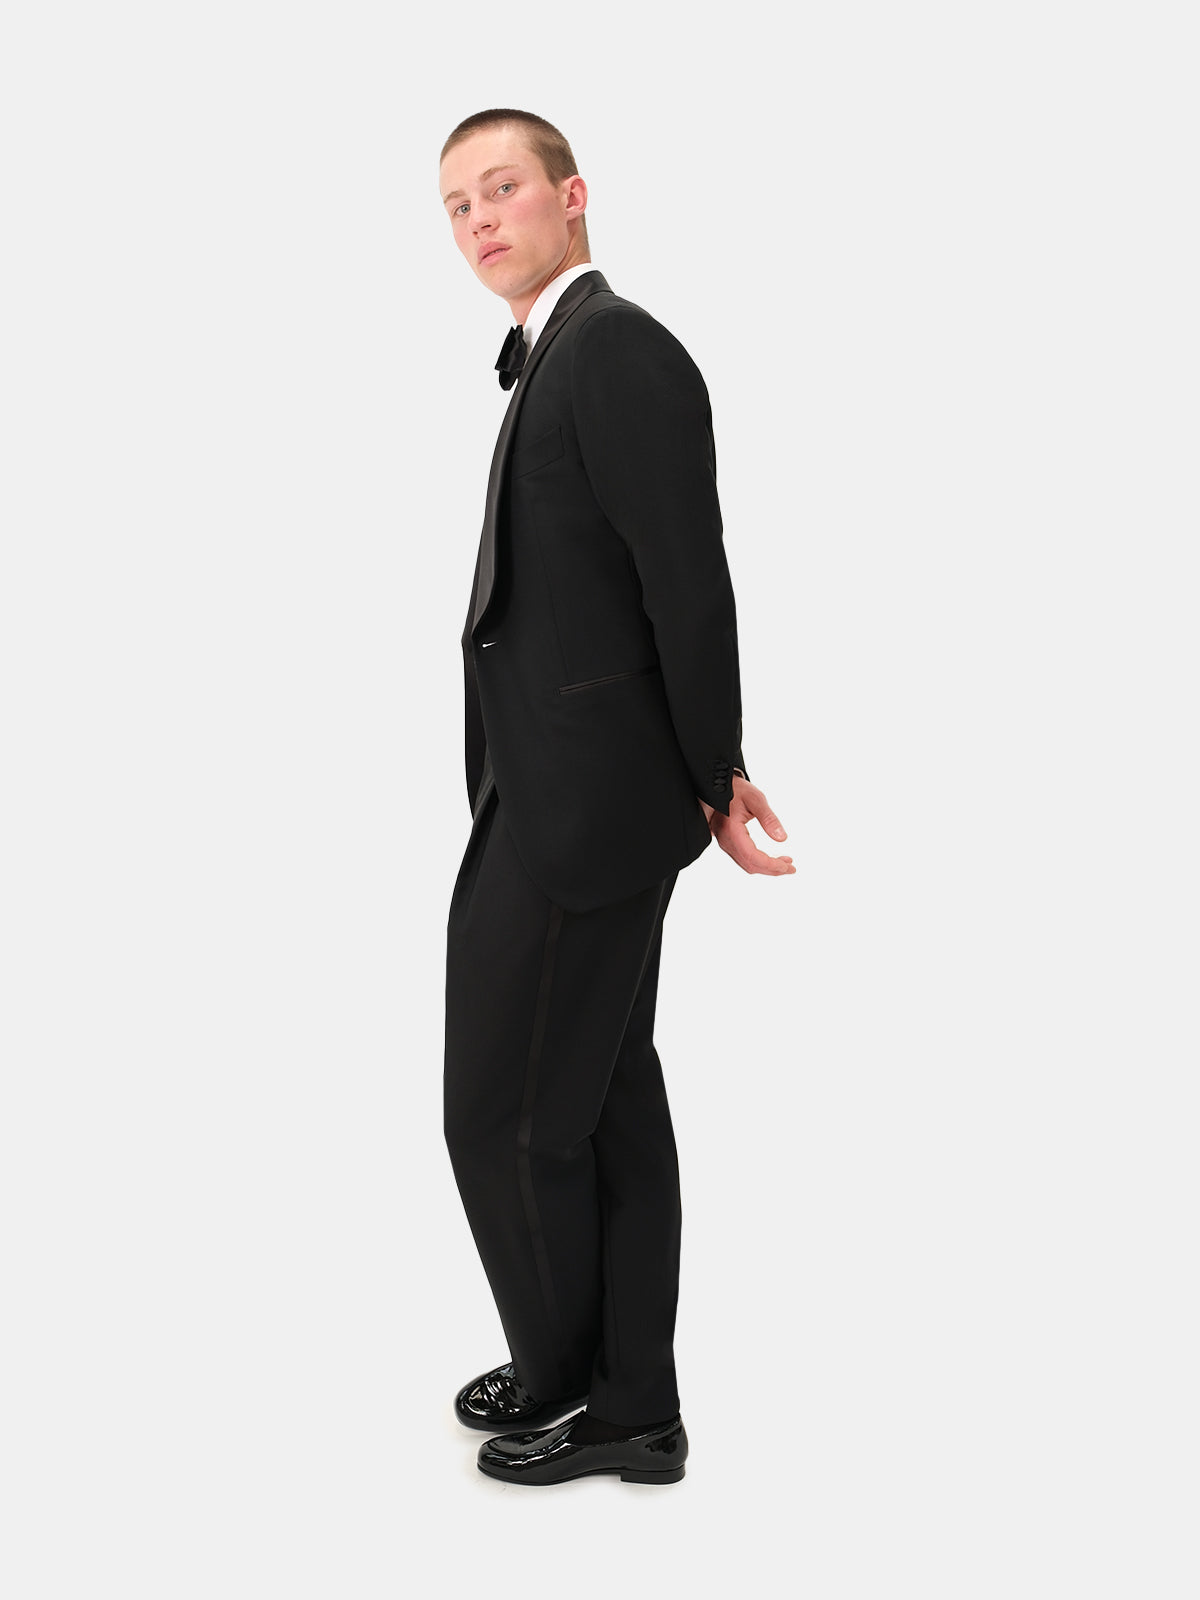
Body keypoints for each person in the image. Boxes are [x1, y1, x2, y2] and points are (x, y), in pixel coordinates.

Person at [439, 108, 794, 1488]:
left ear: (573, 195)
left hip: (587, 809)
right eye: (457, 204)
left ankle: (575, 1380)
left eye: (503, 187)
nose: (479, 218)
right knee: (605, 1096)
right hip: (557, 790)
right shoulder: (562, 353)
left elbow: (687, 581)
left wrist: (715, 772)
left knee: (504, 1113)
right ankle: (629, 1398)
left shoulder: (618, 348)